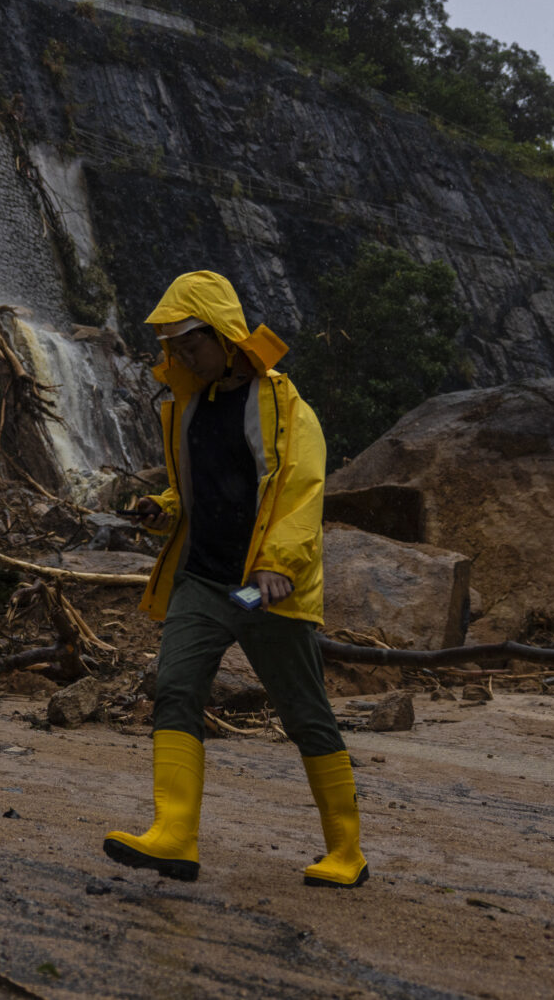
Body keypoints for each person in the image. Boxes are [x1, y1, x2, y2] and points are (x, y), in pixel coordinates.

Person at [102, 270, 367, 888]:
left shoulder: (282, 404)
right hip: (203, 579)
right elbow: (197, 487)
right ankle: (175, 836)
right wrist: (163, 509)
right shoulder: (191, 405)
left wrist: (279, 565)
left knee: (304, 712)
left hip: (262, 586)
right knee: (174, 687)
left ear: (224, 334)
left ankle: (346, 851)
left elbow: (301, 491)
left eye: (189, 341)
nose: (179, 354)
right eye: (172, 345)